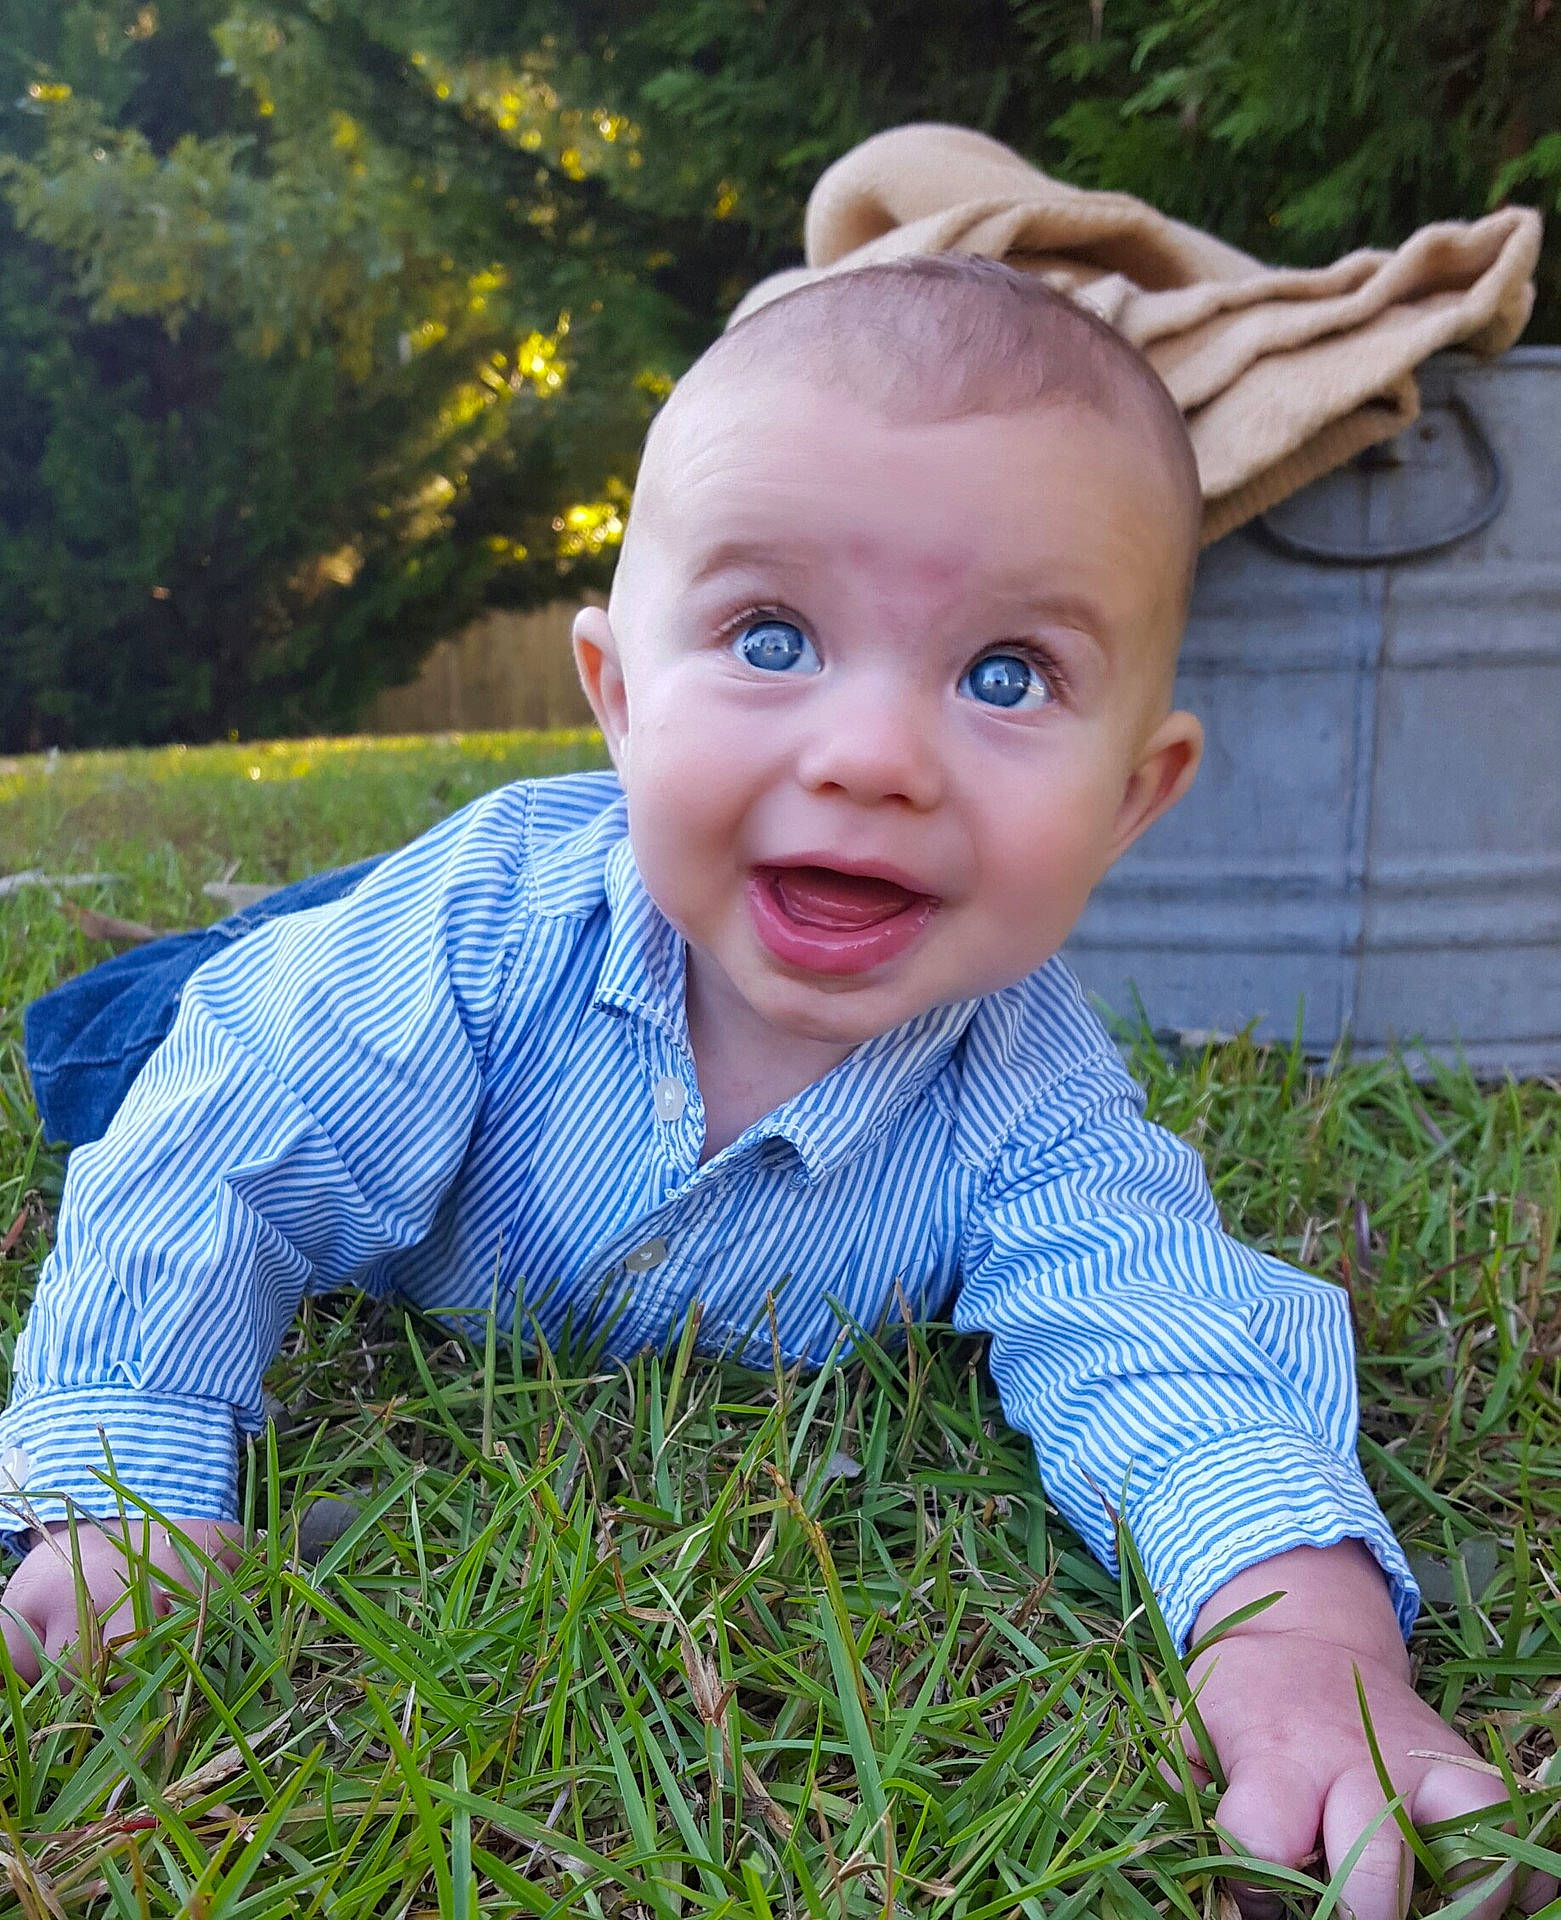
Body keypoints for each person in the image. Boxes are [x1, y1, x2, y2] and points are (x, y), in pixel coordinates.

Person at [0, 257, 1539, 1920]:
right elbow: (223, 1154)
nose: (871, 752)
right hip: (358, 965)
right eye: (772, 636)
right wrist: (118, 1491)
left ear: (1131, 798)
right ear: (614, 695)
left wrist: (1302, 1636)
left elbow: (1164, 1335)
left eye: (1006, 674)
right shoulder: (471, 943)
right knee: (120, 1052)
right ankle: (220, 940)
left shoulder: (1033, 1103)